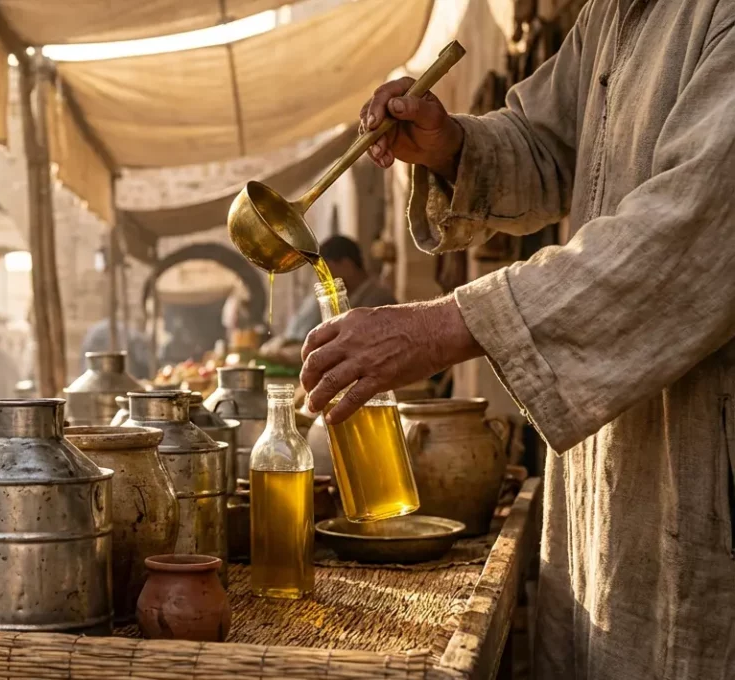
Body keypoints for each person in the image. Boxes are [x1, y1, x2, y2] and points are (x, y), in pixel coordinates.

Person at [301, 4, 735, 677]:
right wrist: (451, 147)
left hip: (705, 455)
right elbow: (547, 144)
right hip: (610, 463)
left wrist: (446, 325)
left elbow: (691, 235)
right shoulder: (611, 16)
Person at [267, 236, 396, 353]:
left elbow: (353, 348)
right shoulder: (342, 298)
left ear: (346, 265)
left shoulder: (378, 300)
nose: (323, 279)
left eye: (327, 270)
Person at [79, 317, 152, 380]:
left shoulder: (93, 332)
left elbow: (85, 365)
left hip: (94, 378)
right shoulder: (133, 336)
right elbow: (145, 362)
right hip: (122, 379)